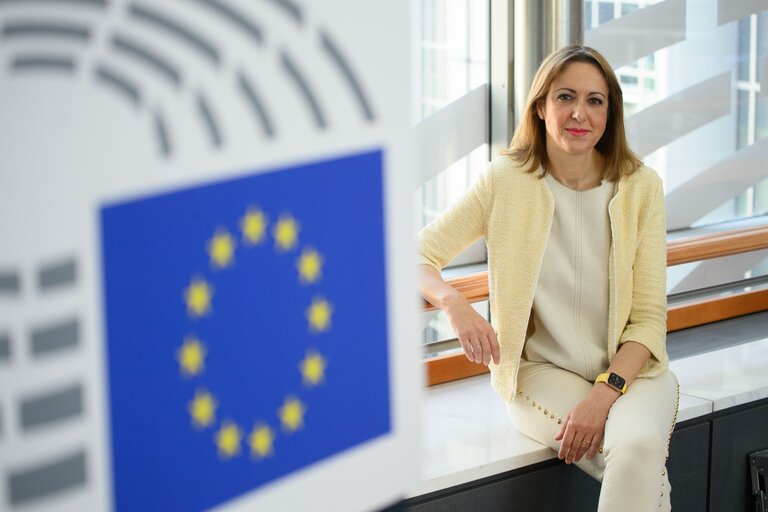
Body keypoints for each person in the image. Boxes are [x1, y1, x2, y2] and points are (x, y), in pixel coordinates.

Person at [417, 45, 679, 511]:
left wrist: (604, 394)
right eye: (565, 97)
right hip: (540, 374)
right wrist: (456, 306)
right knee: (638, 466)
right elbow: (415, 254)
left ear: (610, 112)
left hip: (632, 372)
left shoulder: (642, 187)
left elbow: (648, 320)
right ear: (541, 107)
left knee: (637, 449)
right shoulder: (504, 181)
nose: (580, 113)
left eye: (595, 100)